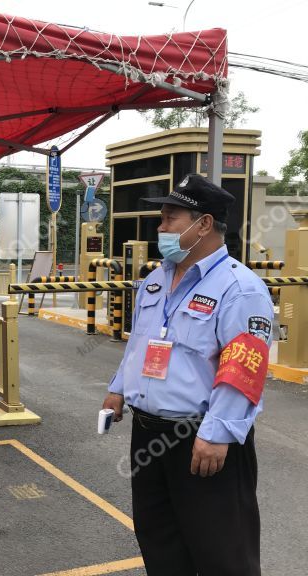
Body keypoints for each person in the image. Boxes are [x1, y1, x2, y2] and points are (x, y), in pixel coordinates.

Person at [102, 174, 274, 576]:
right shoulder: (157, 279)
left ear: (204, 224)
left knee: (222, 554)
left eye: (169, 218)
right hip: (148, 435)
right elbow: (141, 343)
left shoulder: (239, 288)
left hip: (202, 440)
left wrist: (217, 433)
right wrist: (118, 390)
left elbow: (244, 366)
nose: (159, 227)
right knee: (160, 544)